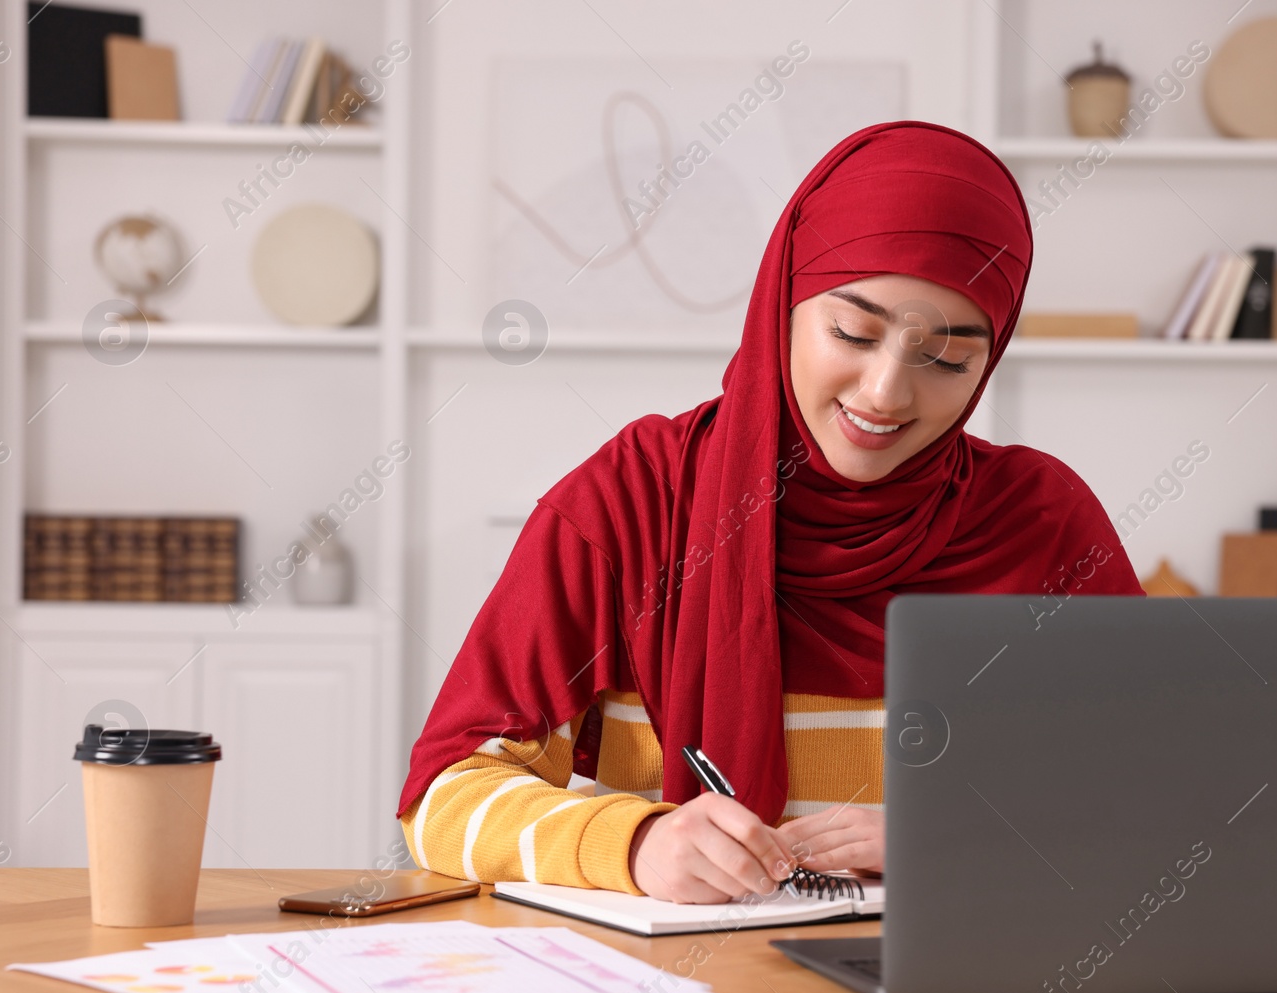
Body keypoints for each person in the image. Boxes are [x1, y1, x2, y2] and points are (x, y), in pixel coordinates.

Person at [396, 120, 1143, 904]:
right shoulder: (631, 501)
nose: (886, 392)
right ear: (782, 300)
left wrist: (956, 836)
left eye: (949, 358)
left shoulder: (1041, 522)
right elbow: (444, 795)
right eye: (853, 331)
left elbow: (1162, 799)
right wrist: (636, 842)